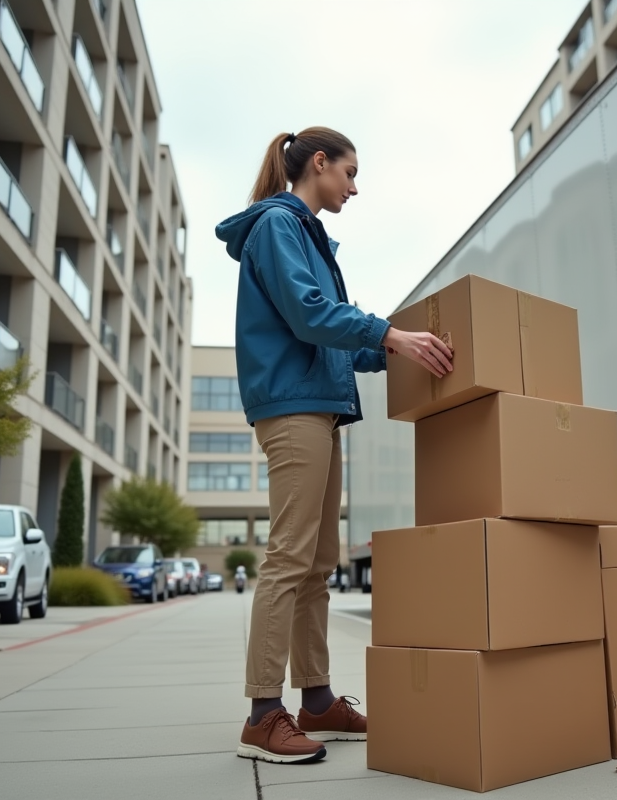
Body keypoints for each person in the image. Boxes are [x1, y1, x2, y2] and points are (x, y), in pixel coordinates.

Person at [215, 127, 453, 765]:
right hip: (292, 409)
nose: (355, 185)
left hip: (319, 406)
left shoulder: (310, 237)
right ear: (317, 164)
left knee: (317, 566)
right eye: (349, 171)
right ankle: (265, 716)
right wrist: (392, 336)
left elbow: (330, 336)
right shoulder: (277, 226)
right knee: (289, 559)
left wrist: (395, 350)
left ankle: (316, 700)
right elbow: (309, 314)